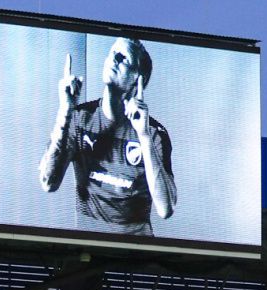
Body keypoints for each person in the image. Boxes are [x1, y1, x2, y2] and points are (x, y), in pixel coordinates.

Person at [38, 37, 176, 236]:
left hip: (136, 254)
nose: (114, 58)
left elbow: (166, 209)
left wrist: (143, 136)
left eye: (123, 58)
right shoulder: (79, 118)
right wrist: (65, 112)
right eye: (112, 53)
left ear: (138, 80)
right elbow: (48, 183)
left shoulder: (153, 133)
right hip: (89, 249)